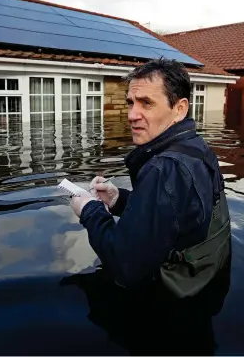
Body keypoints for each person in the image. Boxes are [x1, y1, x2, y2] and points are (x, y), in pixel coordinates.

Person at [69, 57, 232, 298]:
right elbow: (177, 214)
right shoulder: (196, 147)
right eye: (131, 103)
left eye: (146, 103)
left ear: (179, 108)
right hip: (208, 285)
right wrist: (118, 200)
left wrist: (89, 210)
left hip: (170, 307)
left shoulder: (163, 168)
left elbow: (125, 265)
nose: (132, 115)